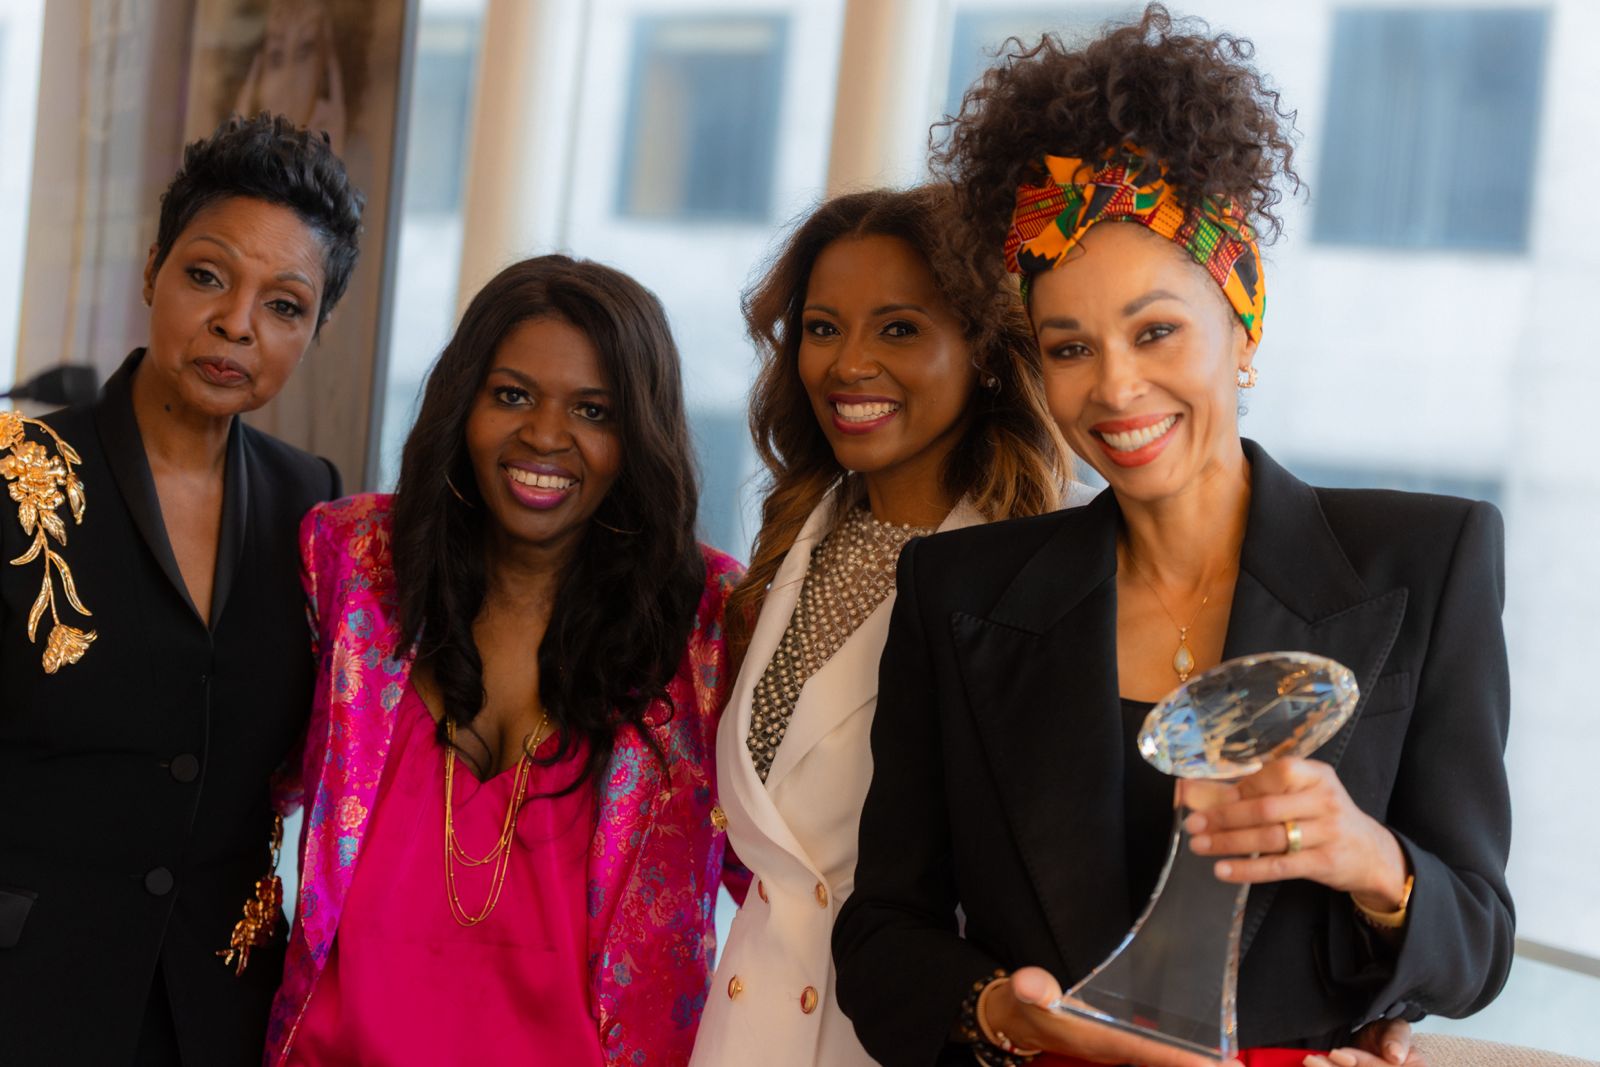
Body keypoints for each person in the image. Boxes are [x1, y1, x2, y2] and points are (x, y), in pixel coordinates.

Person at [832, 8, 1512, 1067]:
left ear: (1242, 324)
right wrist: (1003, 1012)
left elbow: (1476, 945)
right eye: (1069, 347)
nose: (1115, 387)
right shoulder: (955, 592)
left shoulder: (1425, 560)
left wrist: (1370, 858)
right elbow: (880, 937)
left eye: (1156, 331)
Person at [265, 255, 747, 1066]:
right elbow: (235, 785)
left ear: (639, 434)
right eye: (513, 395)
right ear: (464, 402)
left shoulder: (707, 626)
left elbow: (787, 886)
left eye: (593, 410)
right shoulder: (352, 564)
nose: (546, 436)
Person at [0, 114, 362, 1065]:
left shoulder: (313, 504)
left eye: (284, 305)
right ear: (154, 268)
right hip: (24, 993)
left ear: (315, 329)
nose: (237, 323)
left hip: (219, 1012)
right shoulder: (15, 472)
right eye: (207, 275)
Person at [690, 185, 1073, 1067]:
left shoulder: (1054, 562)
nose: (849, 363)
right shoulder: (794, 543)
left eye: (898, 329)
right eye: (822, 328)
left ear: (983, 348)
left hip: (908, 1039)